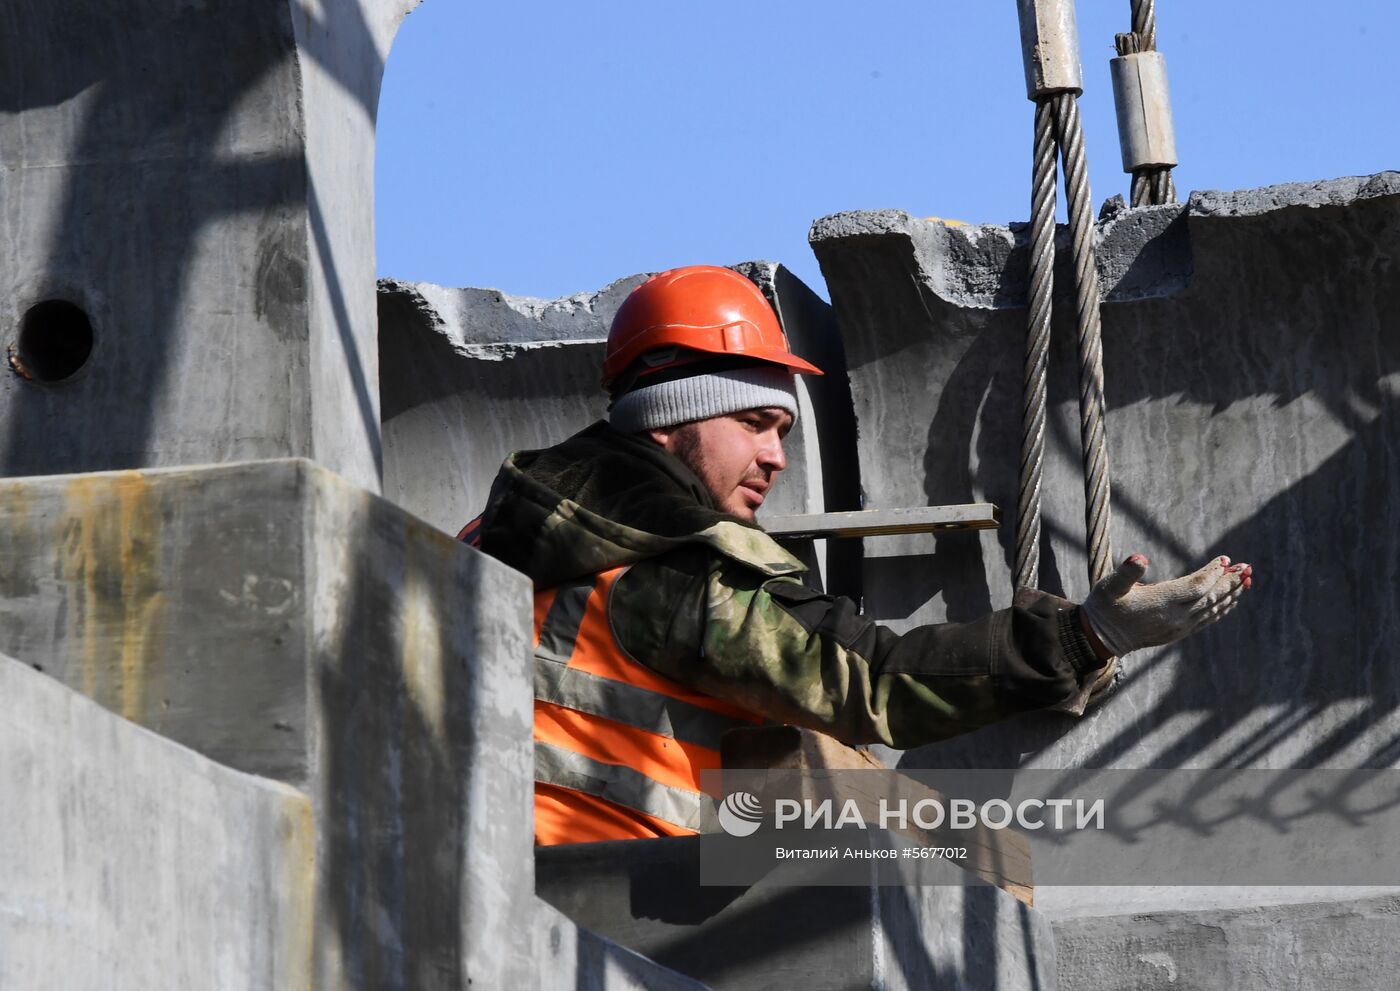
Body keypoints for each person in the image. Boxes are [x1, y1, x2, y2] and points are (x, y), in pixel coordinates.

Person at [463, 264, 1253, 846]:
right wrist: (1085, 636)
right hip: (607, 900)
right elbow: (869, 679)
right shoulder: (675, 571)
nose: (775, 456)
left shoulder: (484, 539)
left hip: (483, 880)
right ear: (672, 420)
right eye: (754, 422)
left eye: (784, 431)